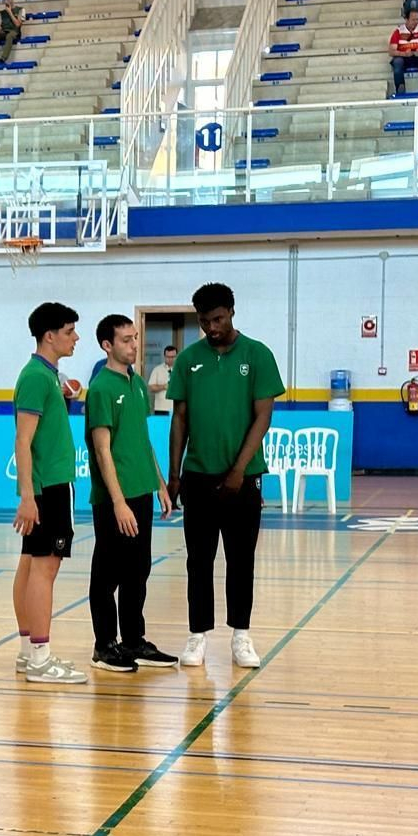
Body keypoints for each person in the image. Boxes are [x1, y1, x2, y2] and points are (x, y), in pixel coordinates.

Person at [167, 283, 285, 670]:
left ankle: (241, 636)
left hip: (244, 478)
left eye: (217, 319)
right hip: (198, 476)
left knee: (240, 559)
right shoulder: (188, 360)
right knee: (198, 561)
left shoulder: (258, 354)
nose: (211, 327)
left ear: (232, 312)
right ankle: (197, 636)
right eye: (204, 321)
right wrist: (174, 474)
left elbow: (263, 417)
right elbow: (180, 418)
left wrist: (238, 470)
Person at [85, 315, 177, 673]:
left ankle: (134, 640)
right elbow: (103, 450)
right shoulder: (102, 388)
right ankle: (104, 646)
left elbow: (142, 438)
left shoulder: (138, 383)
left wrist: (159, 484)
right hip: (114, 499)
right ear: (107, 345)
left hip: (141, 492)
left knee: (138, 571)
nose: (134, 345)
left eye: (135, 338)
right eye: (125, 340)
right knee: (107, 575)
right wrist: (119, 501)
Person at [11, 302, 86, 684]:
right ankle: (41, 658)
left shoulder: (44, 376)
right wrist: (28, 495)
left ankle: (28, 653)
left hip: (46, 485)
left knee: (30, 565)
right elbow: (23, 441)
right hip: (50, 486)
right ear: (50, 335)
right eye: (70, 332)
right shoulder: (37, 378)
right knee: (45, 569)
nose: (75, 338)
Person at [389, 8, 418, 94]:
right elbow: (391, 51)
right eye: (413, 19)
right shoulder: (398, 31)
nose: (415, 22)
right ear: (406, 19)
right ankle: (400, 89)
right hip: (404, 57)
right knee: (397, 62)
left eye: (417, 19)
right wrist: (404, 54)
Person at [0, 0, 25, 64]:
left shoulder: (20, 10)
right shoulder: (0, 13)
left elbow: (18, 24)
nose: (6, 1)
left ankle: (3, 58)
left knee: (10, 36)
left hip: (14, 31)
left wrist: (10, 12)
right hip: (4, 31)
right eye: (4, 0)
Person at [149, 342, 177, 414]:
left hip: (177, 408)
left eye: (173, 357)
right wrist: (164, 386)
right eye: (168, 357)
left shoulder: (181, 370)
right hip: (161, 408)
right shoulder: (157, 370)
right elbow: (151, 387)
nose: (170, 359)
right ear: (164, 356)